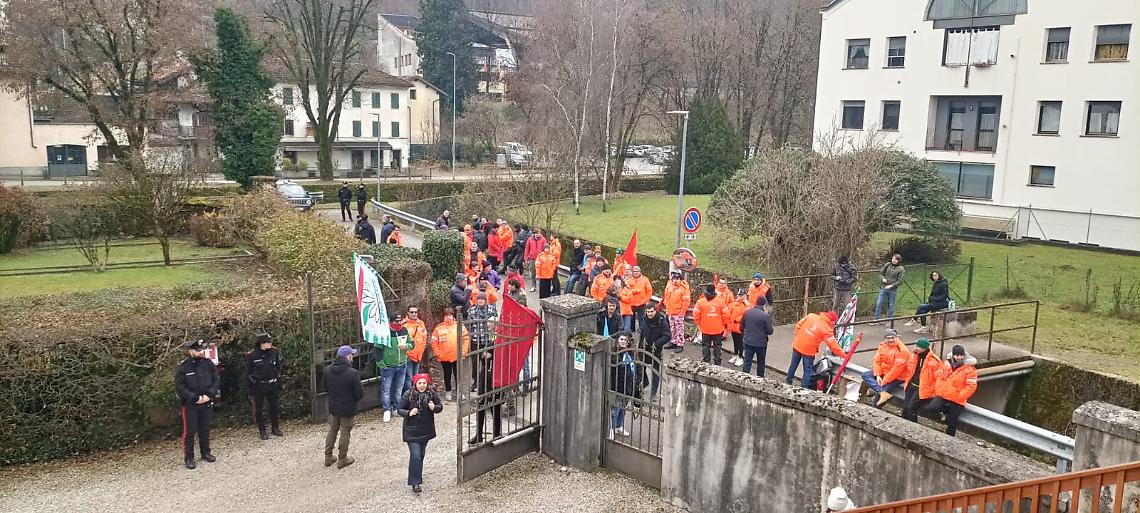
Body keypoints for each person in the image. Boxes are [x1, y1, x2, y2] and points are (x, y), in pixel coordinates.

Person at [175, 339, 220, 470]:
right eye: (197, 350)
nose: (200, 352)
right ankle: (189, 457)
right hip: (191, 405)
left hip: (206, 402)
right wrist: (194, 398)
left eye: (201, 350)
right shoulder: (183, 367)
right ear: (191, 351)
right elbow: (180, 387)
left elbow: (216, 379)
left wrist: (209, 395)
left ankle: (205, 452)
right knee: (189, 432)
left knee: (205, 429)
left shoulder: (208, 363)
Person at [398, 373, 443, 494]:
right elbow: (399, 409)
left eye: (424, 383)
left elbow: (440, 406)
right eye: (419, 383)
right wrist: (409, 413)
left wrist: (434, 407)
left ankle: (417, 474)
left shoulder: (431, 393)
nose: (422, 385)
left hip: (425, 429)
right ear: (415, 384)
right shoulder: (408, 394)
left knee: (421, 454)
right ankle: (415, 483)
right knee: (416, 455)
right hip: (411, 431)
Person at [468, 293, 501, 445]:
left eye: (490, 324)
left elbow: (499, 350)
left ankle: (497, 433)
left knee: (495, 405)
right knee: (481, 405)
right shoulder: (490, 336)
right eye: (488, 324)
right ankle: (479, 435)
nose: (488, 326)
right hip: (485, 374)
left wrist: (490, 352)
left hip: (495, 375)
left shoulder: (498, 337)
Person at [323, 345, 363, 468]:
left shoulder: (327, 370)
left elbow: (325, 387)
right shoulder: (352, 373)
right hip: (348, 407)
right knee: (345, 432)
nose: (352, 357)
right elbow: (359, 393)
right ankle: (342, 458)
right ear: (348, 356)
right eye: (351, 355)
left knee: (333, 429)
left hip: (333, 406)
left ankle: (328, 456)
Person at [924, 345, 978, 436]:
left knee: (952, 421)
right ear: (953, 355)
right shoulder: (947, 364)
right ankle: (945, 411)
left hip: (957, 398)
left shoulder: (969, 369)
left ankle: (950, 437)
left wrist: (960, 396)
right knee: (932, 408)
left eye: (961, 355)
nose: (959, 357)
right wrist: (939, 389)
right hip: (943, 394)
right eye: (957, 355)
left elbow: (971, 386)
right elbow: (940, 377)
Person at [787, 311, 846, 389]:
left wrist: (798, 335)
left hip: (798, 344)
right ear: (832, 321)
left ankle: (788, 381)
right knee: (808, 370)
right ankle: (804, 387)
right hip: (809, 350)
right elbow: (833, 345)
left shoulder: (811, 316)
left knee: (793, 364)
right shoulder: (827, 329)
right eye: (834, 323)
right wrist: (843, 355)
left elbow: (798, 325)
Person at [243, 333, 283, 440]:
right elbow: (247, 373)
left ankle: (275, 428)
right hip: (259, 386)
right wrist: (249, 389)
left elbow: (278, 367)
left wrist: (279, 381)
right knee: (259, 410)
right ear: (262, 344)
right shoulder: (252, 356)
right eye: (268, 342)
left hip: (272, 384)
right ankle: (262, 431)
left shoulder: (274, 352)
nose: (270, 344)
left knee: (274, 407)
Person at [859, 328, 911, 408]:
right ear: (885, 339)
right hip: (884, 372)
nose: (891, 340)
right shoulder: (882, 345)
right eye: (888, 338)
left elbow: (896, 370)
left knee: (881, 395)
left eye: (892, 337)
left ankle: (877, 403)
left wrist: (884, 381)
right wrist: (878, 375)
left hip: (898, 377)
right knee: (866, 375)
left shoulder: (902, 350)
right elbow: (876, 361)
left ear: (897, 337)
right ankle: (882, 393)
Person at [429, 307, 470, 401]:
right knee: (447, 375)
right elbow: (434, 342)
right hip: (444, 357)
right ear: (443, 317)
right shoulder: (438, 328)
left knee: (458, 375)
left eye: (450, 315)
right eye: (446, 316)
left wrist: (463, 352)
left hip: (457, 356)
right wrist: (438, 353)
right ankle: (448, 391)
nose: (448, 317)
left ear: (453, 316)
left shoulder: (460, 327)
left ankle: (460, 392)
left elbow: (466, 339)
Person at [376, 313, 410, 423]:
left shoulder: (404, 330)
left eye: (400, 321)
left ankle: (396, 408)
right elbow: (377, 349)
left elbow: (412, 343)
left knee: (399, 388)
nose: (399, 323)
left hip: (402, 364)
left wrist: (407, 346)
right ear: (390, 322)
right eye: (396, 321)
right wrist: (382, 364)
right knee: (386, 389)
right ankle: (386, 410)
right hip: (388, 366)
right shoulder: (383, 332)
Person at [608, 332, 641, 440]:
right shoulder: (614, 352)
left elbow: (637, 366)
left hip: (629, 386)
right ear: (617, 340)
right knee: (615, 408)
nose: (623, 341)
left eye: (625, 340)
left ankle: (619, 426)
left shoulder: (631, 353)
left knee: (623, 408)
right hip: (618, 386)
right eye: (621, 339)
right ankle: (611, 429)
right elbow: (614, 368)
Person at [901, 338, 941, 422]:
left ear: (924, 348)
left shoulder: (935, 361)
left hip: (922, 388)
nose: (916, 348)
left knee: (911, 408)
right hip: (911, 385)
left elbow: (939, 379)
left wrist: (932, 391)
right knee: (905, 409)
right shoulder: (914, 356)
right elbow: (909, 369)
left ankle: (912, 426)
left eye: (918, 346)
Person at [640, 301, 671, 398]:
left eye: (651, 312)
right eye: (648, 312)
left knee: (655, 372)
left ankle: (654, 391)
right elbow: (642, 333)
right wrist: (640, 345)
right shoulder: (645, 319)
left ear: (655, 311)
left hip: (655, 350)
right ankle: (644, 383)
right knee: (640, 368)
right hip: (644, 349)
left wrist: (656, 343)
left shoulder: (662, 321)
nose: (650, 314)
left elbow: (667, 336)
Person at [693, 285, 727, 366]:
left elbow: (696, 315)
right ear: (714, 291)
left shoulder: (700, 302)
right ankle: (717, 362)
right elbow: (726, 315)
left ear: (706, 291)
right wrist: (724, 325)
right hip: (718, 329)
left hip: (705, 328)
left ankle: (706, 361)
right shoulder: (721, 302)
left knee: (705, 345)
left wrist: (700, 323)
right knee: (717, 346)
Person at [741, 297, 774, 376]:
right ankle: (760, 378)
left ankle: (744, 377)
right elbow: (770, 331)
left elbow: (742, 327)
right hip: (761, 343)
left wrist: (745, 335)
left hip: (748, 341)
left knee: (747, 361)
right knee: (761, 362)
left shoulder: (747, 312)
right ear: (764, 305)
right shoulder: (765, 316)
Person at [663, 271, 692, 352]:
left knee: (679, 329)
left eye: (677, 279)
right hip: (670, 311)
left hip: (678, 312)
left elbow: (686, 301)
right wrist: (667, 309)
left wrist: (682, 313)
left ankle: (680, 344)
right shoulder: (669, 286)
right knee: (672, 328)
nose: (675, 281)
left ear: (680, 279)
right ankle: (674, 342)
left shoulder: (683, 288)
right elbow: (666, 297)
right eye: (674, 279)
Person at [872, 254, 905, 324]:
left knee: (891, 305)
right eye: (893, 258)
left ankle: (889, 320)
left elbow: (900, 281)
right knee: (879, 303)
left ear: (899, 261)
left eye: (896, 259)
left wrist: (891, 285)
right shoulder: (887, 265)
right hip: (883, 287)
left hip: (892, 289)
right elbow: (881, 274)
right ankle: (876, 319)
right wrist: (882, 279)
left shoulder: (901, 269)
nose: (894, 260)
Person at [402, 306, 428, 392]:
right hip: (408, 355)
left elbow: (424, 339)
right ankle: (409, 395)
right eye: (412, 312)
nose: (414, 314)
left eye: (415, 312)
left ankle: (415, 394)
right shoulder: (404, 325)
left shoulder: (421, 324)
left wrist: (421, 351)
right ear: (408, 313)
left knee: (416, 377)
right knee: (409, 378)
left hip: (418, 355)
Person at [724, 290, 749, 367]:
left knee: (740, 342)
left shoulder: (746, 304)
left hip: (740, 326)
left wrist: (737, 320)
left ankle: (740, 357)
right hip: (733, 325)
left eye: (742, 295)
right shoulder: (734, 303)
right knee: (735, 341)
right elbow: (728, 312)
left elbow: (746, 315)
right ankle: (735, 354)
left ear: (745, 296)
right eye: (739, 295)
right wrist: (728, 321)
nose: (740, 296)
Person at [625, 266, 653, 334]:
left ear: (640, 272)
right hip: (631, 303)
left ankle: (642, 332)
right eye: (634, 271)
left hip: (641, 303)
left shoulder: (645, 280)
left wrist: (646, 301)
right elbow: (626, 289)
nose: (636, 273)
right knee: (631, 318)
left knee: (642, 318)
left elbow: (649, 291)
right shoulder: (628, 280)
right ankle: (631, 332)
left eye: (637, 271)